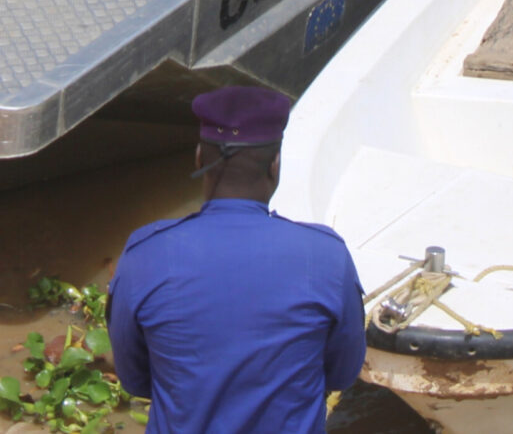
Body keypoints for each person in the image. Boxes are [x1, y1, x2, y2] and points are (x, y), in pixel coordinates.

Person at [108, 86, 363, 434]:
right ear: (275, 165)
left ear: (199, 158)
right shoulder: (327, 256)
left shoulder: (145, 254)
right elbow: (342, 373)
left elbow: (135, 379)